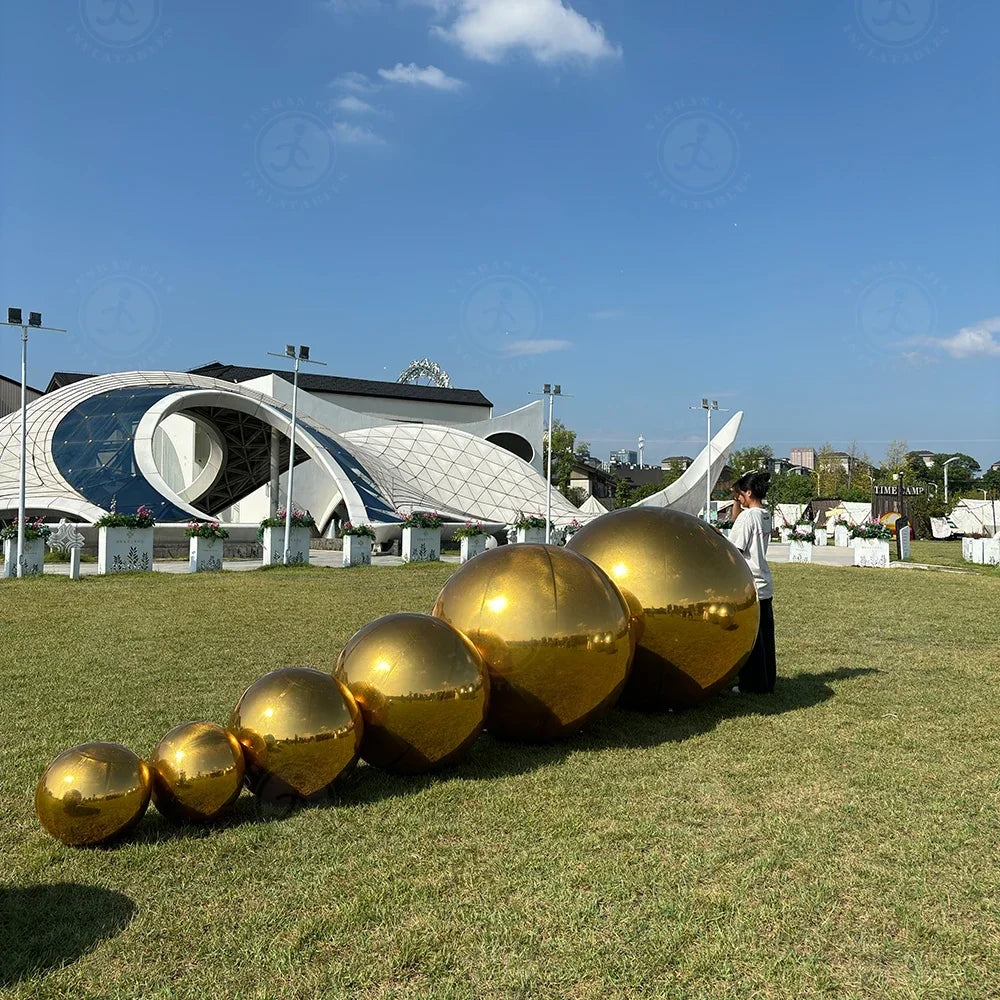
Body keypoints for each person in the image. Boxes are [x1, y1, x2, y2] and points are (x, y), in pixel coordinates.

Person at [729, 471, 776, 693]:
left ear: (748, 492)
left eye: (740, 494)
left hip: (750, 582)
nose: (738, 498)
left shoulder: (747, 518)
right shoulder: (765, 515)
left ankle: (751, 684)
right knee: (766, 637)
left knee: (751, 639)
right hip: (764, 582)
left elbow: (735, 549)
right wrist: (736, 502)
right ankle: (767, 680)